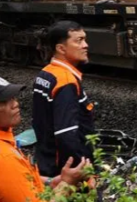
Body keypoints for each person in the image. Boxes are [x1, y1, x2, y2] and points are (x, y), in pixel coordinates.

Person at [32, 21, 95, 179]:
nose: (85, 45)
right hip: (64, 172)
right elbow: (66, 134)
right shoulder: (66, 82)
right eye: (78, 40)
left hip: (46, 161)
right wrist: (82, 174)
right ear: (61, 48)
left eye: (84, 39)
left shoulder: (45, 74)